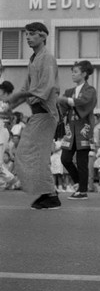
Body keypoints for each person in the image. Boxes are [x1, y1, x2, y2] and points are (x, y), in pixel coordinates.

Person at [5, 22, 61, 209]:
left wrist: (20, 96)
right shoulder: (34, 59)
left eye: (32, 34)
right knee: (31, 154)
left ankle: (50, 195)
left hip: (46, 114)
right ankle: (48, 193)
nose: (28, 37)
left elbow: (45, 89)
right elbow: (25, 88)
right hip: (39, 115)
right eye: (26, 34)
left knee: (32, 154)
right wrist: (11, 105)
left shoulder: (47, 58)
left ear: (44, 36)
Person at [58, 60, 97, 201]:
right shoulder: (69, 91)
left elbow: (85, 102)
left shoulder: (90, 90)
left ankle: (82, 191)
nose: (73, 75)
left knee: (82, 162)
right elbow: (62, 108)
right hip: (70, 130)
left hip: (83, 129)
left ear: (84, 74)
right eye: (72, 72)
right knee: (65, 159)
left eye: (75, 72)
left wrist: (66, 100)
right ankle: (79, 184)